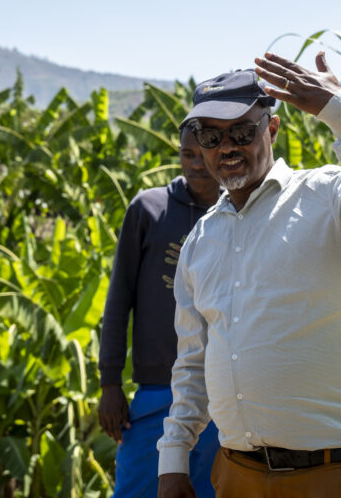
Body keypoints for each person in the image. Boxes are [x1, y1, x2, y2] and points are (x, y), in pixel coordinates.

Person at [157, 53, 341, 498]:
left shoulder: (328, 193)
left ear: (272, 129)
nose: (227, 147)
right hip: (237, 473)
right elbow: (194, 362)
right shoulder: (201, 240)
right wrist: (173, 459)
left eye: (242, 131)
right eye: (209, 136)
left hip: (334, 470)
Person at [98, 126, 222, 497]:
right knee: (138, 487)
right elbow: (119, 300)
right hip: (156, 389)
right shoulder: (149, 209)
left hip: (221, 391)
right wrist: (110, 383)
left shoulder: (239, 213)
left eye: (204, 154)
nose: (197, 164)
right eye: (187, 154)